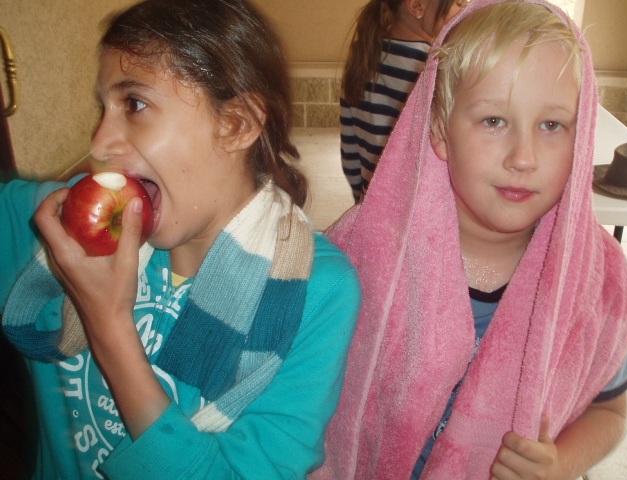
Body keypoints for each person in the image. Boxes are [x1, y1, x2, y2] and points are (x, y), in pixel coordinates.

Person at [0, 0, 361, 478]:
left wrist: (109, 327)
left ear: (236, 124)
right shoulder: (55, 224)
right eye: (104, 108)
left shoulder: (316, 293)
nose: (100, 142)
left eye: (135, 104)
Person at [311, 0, 627, 478]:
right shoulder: (361, 255)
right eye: (493, 121)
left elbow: (610, 410)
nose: (523, 157)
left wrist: (562, 463)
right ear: (440, 130)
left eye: (551, 125)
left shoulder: (597, 281)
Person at [340, 0, 468, 202]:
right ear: (417, 7)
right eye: (459, 3)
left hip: (372, 200)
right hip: (417, 207)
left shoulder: (364, 56)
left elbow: (350, 147)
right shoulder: (432, 67)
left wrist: (361, 200)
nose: (465, 9)